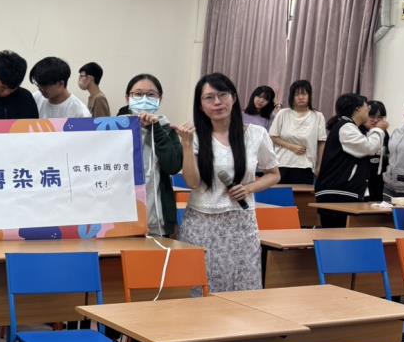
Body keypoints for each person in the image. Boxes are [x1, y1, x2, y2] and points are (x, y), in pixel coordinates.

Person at [175, 73, 280, 292]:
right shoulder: (194, 136)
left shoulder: (256, 134)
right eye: (209, 97)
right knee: (202, 289)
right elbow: (192, 183)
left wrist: (248, 188)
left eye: (222, 95)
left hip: (241, 223)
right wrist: (186, 145)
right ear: (200, 105)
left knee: (243, 288)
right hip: (202, 223)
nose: (217, 102)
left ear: (233, 97)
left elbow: (273, 174)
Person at [119, 74, 183, 238]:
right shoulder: (115, 129)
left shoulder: (168, 130)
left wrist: (156, 129)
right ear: (128, 98)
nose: (144, 99)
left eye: (151, 94)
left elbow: (173, 166)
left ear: (159, 99)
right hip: (120, 220)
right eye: (138, 94)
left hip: (157, 222)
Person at [314, 93, 387, 227]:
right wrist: (378, 130)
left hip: (342, 192)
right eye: (366, 106)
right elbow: (368, 147)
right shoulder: (346, 127)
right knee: (336, 235)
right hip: (337, 193)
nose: (368, 109)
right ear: (357, 109)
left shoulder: (347, 126)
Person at [269, 80, 326, 185]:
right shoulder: (283, 113)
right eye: (297, 94)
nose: (301, 97)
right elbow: (273, 136)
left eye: (304, 94)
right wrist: (292, 146)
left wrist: (319, 166)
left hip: (306, 165)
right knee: (279, 194)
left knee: (302, 195)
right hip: (282, 163)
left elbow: (321, 142)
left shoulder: (318, 116)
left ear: (310, 96)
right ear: (292, 97)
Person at [383, 101, 404, 203]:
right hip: (389, 186)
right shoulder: (398, 131)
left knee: (403, 214)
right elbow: (390, 154)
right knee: (385, 213)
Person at [366, 100, 389, 202]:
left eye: (380, 117)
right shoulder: (359, 131)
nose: (375, 120)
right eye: (372, 116)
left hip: (379, 181)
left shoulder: (385, 134)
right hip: (363, 181)